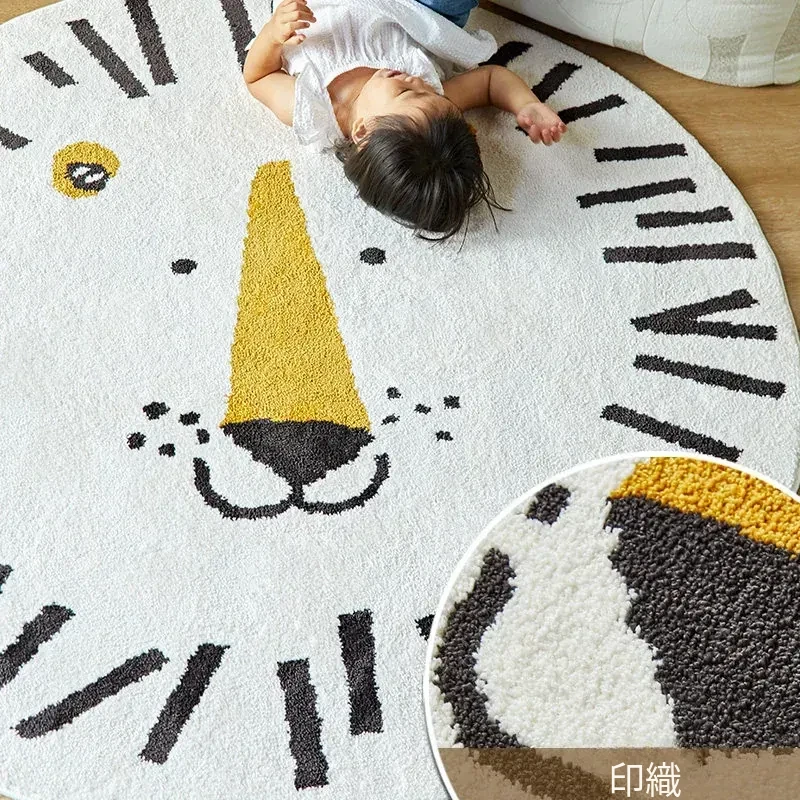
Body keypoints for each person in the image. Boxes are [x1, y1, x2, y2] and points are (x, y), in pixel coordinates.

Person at [243, 0, 567, 243]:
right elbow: (490, 80)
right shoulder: (428, 110)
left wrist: (273, 34)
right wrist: (527, 104)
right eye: (432, 92)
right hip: (413, 10)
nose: (419, 81)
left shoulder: (313, 109)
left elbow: (258, 77)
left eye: (406, 91)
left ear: (363, 130)